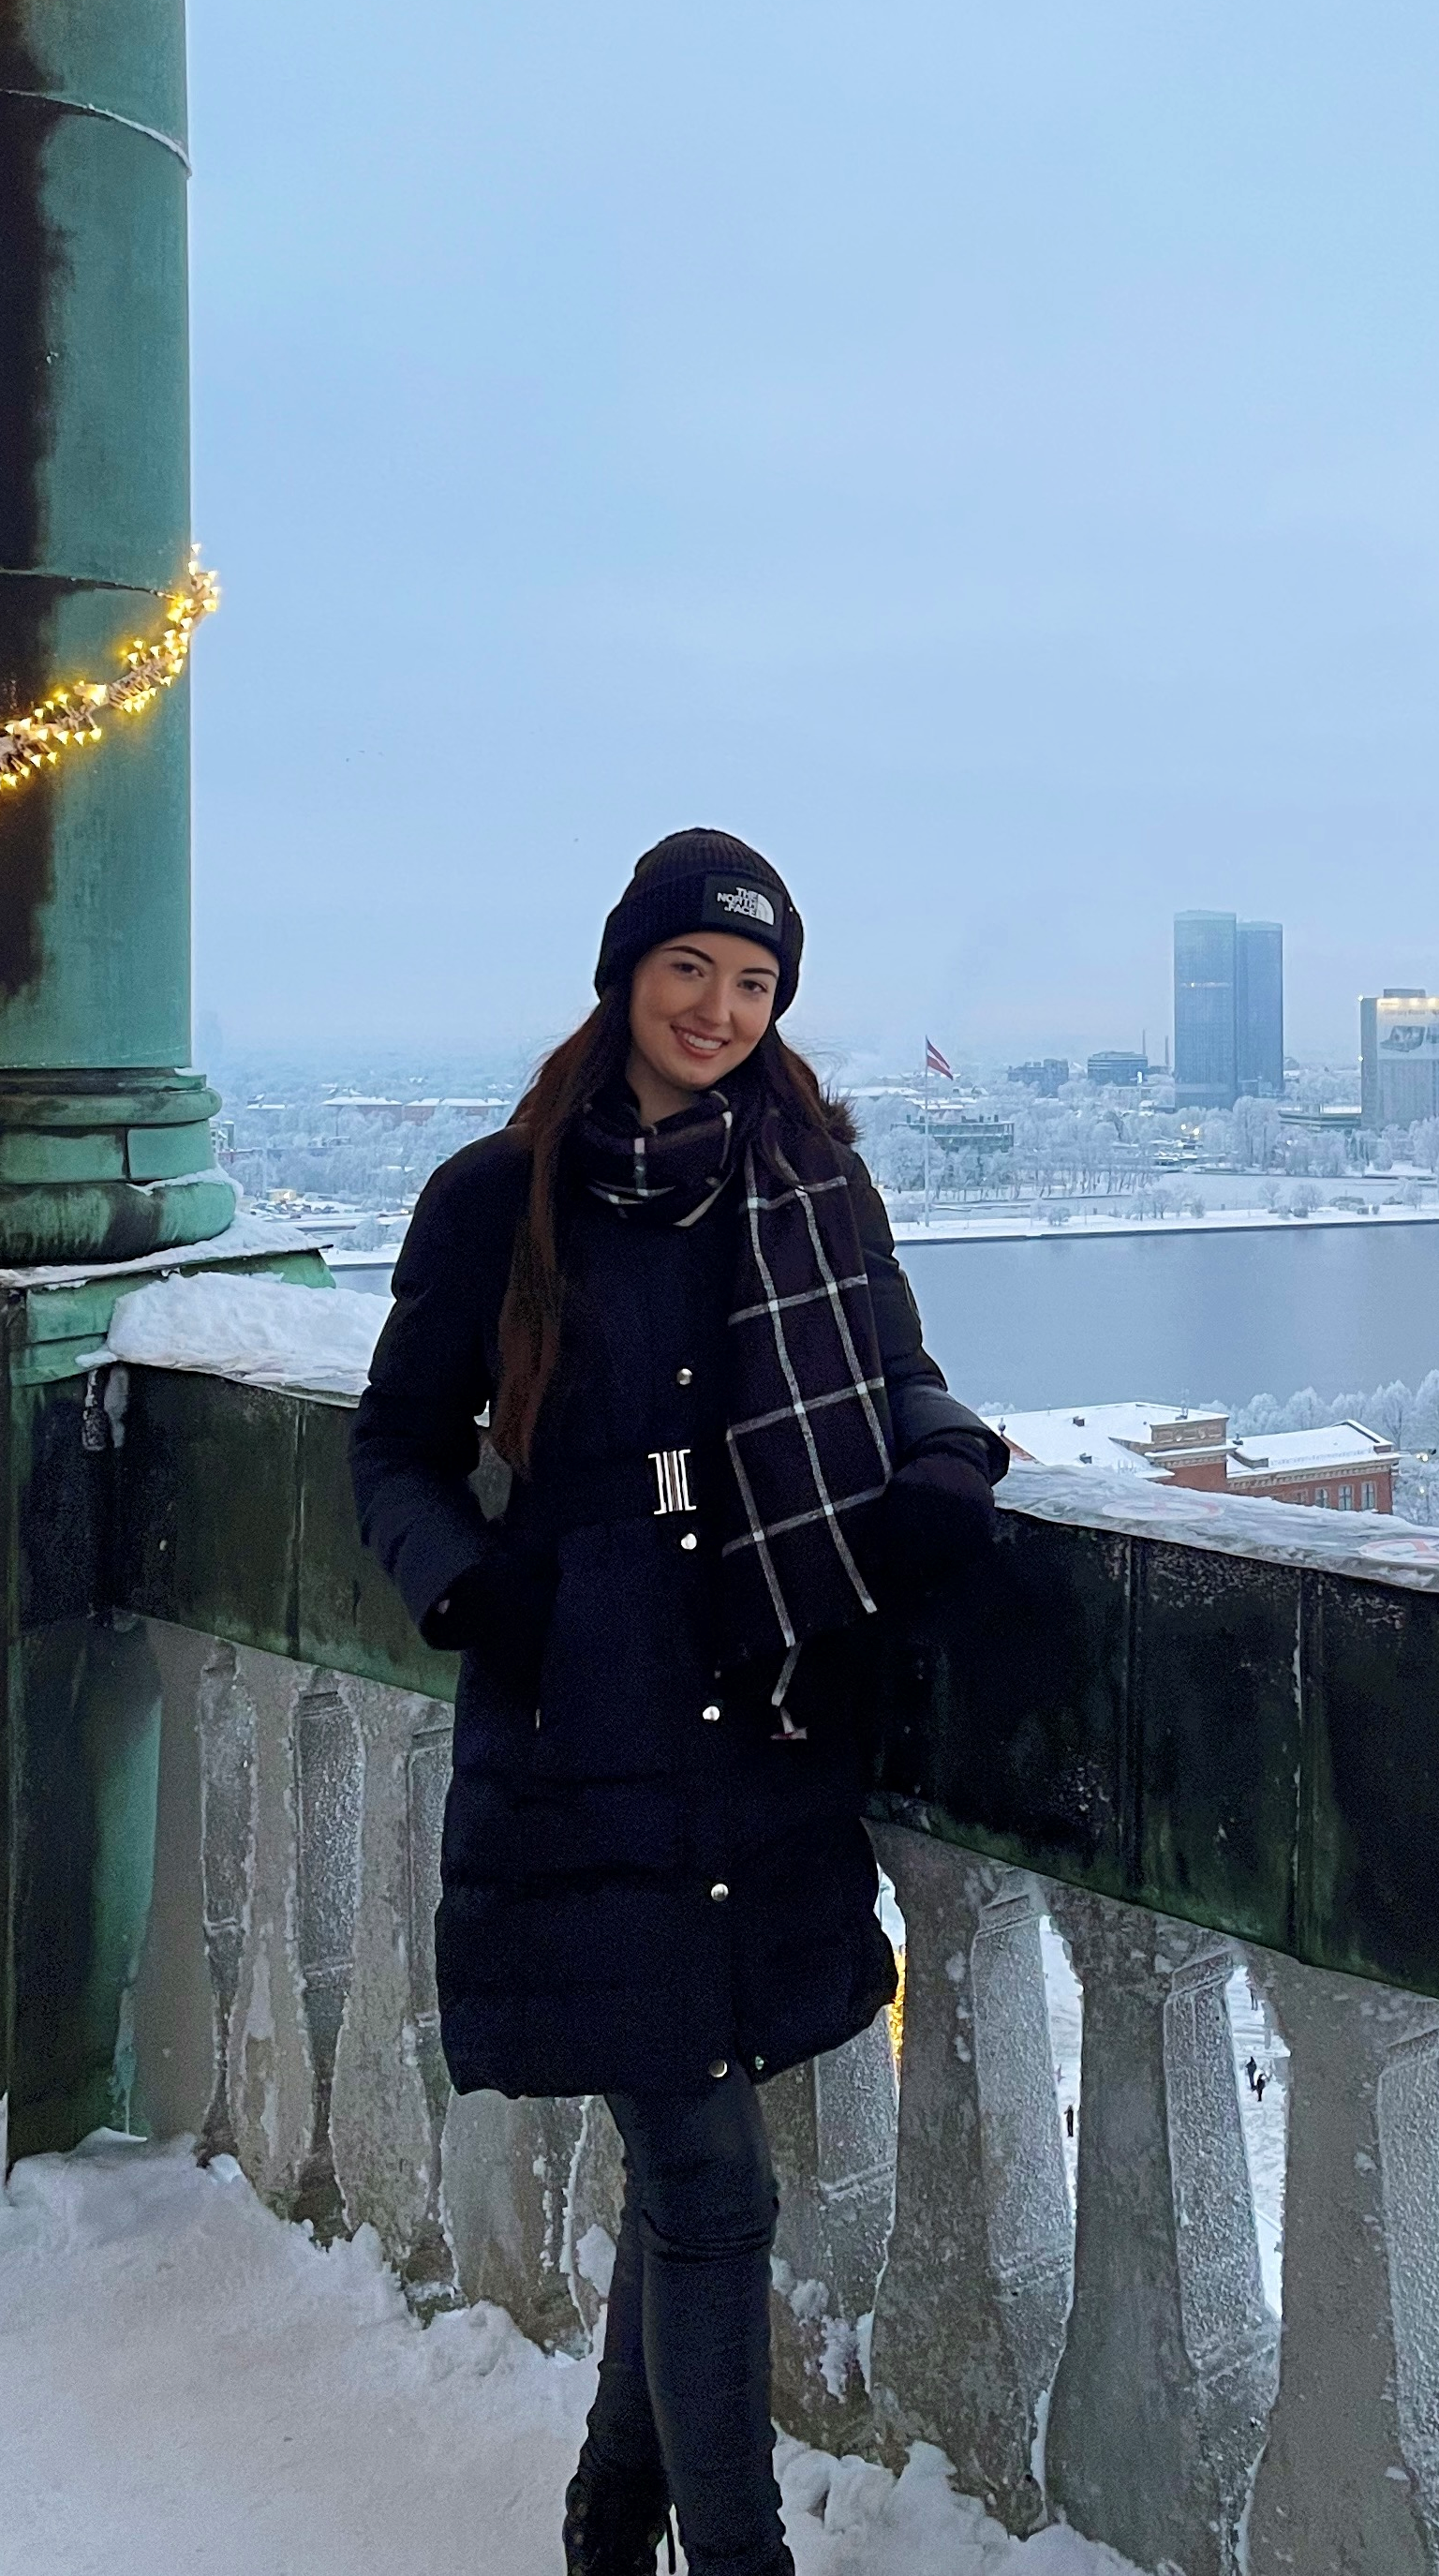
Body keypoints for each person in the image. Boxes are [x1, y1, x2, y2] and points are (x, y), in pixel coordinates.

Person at [350, 831, 1007, 2576]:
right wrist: (471, 1583)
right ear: (626, 974)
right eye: (692, 971)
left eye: (757, 984)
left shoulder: (814, 1185)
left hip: (773, 1712)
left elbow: (904, 1376)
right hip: (589, 1731)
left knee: (689, 2143)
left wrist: (945, 1467)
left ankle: (606, 2516)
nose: (721, 1010)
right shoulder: (503, 1199)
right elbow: (395, 1449)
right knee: (716, 2182)